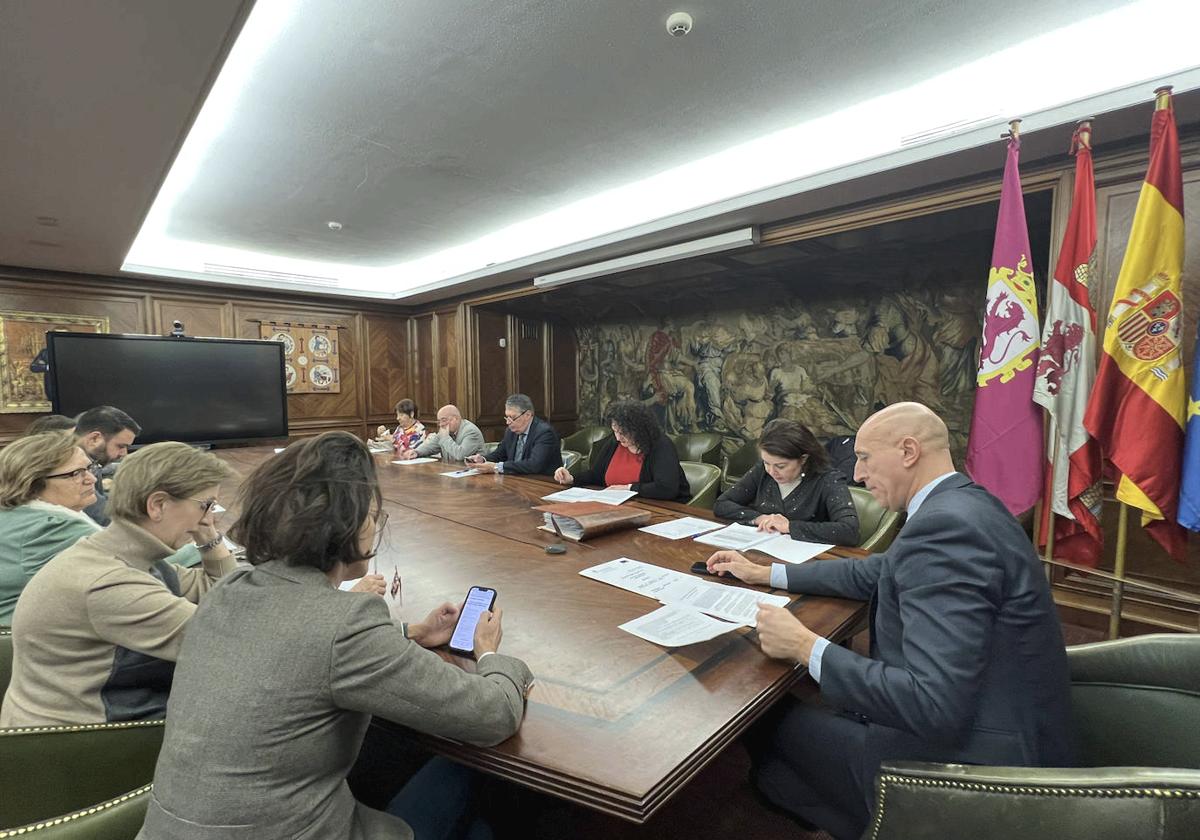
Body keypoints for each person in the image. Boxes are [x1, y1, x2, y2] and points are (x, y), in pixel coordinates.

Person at [137, 432, 534, 840]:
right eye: (374, 514)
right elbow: (492, 715)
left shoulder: (227, 591)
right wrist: (490, 655)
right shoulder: (346, 624)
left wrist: (410, 632)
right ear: (349, 521)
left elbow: (293, 642)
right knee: (474, 774)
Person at [707, 402, 1073, 840]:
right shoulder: (963, 504)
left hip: (973, 769)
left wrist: (806, 647)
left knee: (760, 713)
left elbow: (933, 705)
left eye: (863, 458)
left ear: (908, 451)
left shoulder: (947, 529)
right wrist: (766, 573)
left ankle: (862, 816)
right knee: (810, 710)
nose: (857, 475)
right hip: (1001, 715)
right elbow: (876, 571)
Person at [0, 442, 237, 726]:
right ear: (158, 505)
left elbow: (222, 593)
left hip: (102, 716)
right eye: (206, 505)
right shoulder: (109, 583)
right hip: (83, 741)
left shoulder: (122, 554)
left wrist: (208, 537)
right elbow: (233, 645)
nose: (209, 517)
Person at [0, 432, 99, 624]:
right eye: (76, 474)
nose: (91, 479)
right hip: (34, 645)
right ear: (32, 482)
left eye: (89, 468)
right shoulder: (51, 528)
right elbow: (138, 562)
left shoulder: (15, 514)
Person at [713, 419, 859, 545]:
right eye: (766, 463)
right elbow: (722, 504)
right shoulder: (763, 471)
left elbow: (849, 531)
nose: (771, 471)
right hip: (760, 550)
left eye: (781, 466)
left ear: (803, 459)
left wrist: (790, 526)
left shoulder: (828, 479)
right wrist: (759, 518)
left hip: (806, 562)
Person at [552, 400, 690, 502]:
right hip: (619, 506)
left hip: (660, 509)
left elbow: (666, 489)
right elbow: (596, 475)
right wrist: (572, 478)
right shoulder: (614, 442)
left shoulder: (661, 446)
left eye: (623, 432)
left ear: (638, 430)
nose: (618, 437)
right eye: (615, 431)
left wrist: (629, 488)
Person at [74, 405, 141, 526]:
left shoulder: (92, 461)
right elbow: (104, 517)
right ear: (94, 439)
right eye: (121, 446)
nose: (124, 454)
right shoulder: (72, 471)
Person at [467, 394, 562, 476]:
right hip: (516, 480)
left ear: (527, 415)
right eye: (507, 417)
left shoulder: (544, 433)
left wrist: (496, 467)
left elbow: (534, 465)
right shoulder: (511, 431)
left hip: (542, 483)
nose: (508, 422)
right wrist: (482, 460)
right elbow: (500, 454)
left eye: (512, 417)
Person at [398, 404, 484, 463]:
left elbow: (460, 455)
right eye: (439, 421)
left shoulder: (471, 431)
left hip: (473, 477)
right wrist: (416, 452)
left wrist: (445, 437)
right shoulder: (446, 431)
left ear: (455, 419)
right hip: (452, 472)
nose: (441, 425)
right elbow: (431, 446)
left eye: (443, 420)